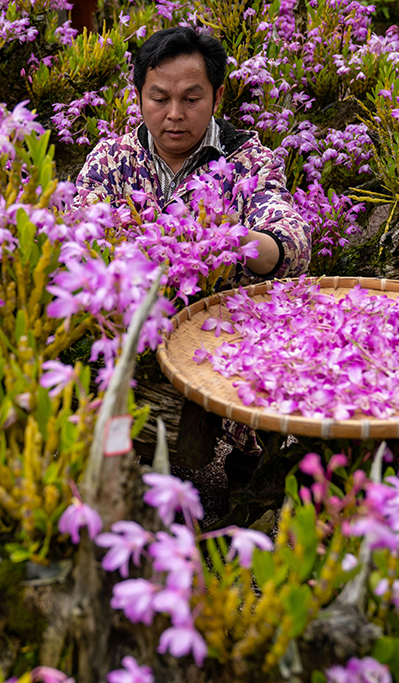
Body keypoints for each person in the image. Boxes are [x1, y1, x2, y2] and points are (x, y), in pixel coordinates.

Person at [73, 26, 312, 485]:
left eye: (191, 98)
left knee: (255, 469)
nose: (175, 115)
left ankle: (250, 470)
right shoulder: (112, 159)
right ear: (138, 96)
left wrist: (225, 238)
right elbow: (80, 237)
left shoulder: (249, 161)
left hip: (222, 330)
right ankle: (118, 467)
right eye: (159, 98)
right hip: (131, 326)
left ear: (218, 96)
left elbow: (292, 246)